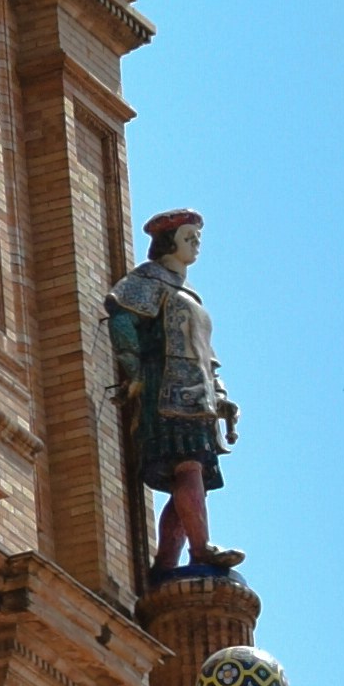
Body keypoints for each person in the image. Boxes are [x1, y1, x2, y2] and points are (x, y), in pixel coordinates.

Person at [105, 203, 240, 577]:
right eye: (188, 237)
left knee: (192, 477)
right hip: (165, 389)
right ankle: (200, 548)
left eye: (198, 237)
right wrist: (134, 370)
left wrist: (221, 396)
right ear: (169, 241)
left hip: (198, 396)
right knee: (188, 468)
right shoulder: (149, 279)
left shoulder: (190, 294)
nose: (196, 243)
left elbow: (208, 357)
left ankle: (167, 562)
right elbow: (121, 317)